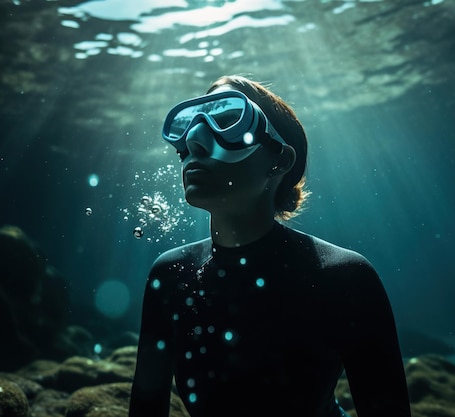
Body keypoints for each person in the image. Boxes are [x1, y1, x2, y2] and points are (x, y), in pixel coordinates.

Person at [129, 75, 411, 417]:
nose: (196, 144)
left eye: (228, 121)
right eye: (191, 125)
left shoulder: (345, 277)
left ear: (279, 161)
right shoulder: (169, 275)